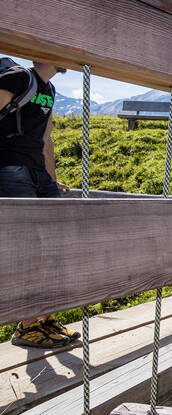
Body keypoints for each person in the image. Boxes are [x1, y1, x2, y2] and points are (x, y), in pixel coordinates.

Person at [0, 59, 78, 348]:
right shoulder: (18, 76)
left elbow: (46, 139)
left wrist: (50, 179)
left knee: (52, 244)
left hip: (34, 172)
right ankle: (27, 326)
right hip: (9, 166)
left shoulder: (50, 89)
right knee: (30, 247)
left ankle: (44, 319)